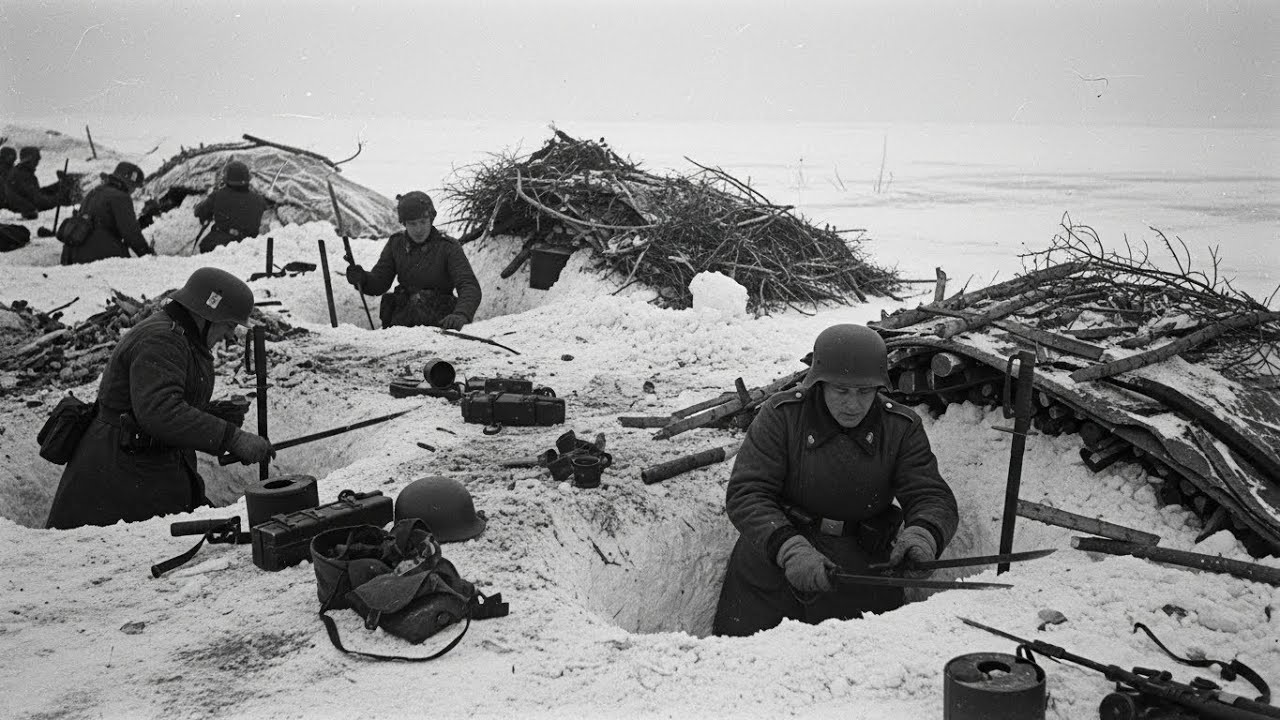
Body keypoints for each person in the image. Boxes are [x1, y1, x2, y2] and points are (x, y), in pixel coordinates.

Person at [712, 324, 959, 637]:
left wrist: (923, 535)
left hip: (859, 571)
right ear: (820, 383)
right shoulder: (783, 415)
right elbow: (748, 493)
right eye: (841, 391)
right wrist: (790, 549)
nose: (853, 404)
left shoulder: (900, 427)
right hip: (772, 566)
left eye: (864, 391)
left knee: (851, 674)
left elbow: (931, 496)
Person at [46, 267, 275, 530]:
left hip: (146, 465)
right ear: (209, 314)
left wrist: (213, 414)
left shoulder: (181, 336)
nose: (229, 335)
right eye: (229, 325)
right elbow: (160, 411)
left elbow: (157, 399)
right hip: (122, 475)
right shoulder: (162, 339)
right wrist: (231, 437)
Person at [344, 191, 481, 330]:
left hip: (439, 322)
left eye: (423, 222)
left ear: (431, 220)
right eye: (412, 223)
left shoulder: (448, 247)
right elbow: (380, 282)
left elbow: (468, 285)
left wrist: (461, 314)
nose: (419, 229)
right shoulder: (396, 244)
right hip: (402, 322)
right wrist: (363, 279)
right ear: (404, 223)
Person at [60, 161, 154, 265]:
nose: (133, 191)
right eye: (134, 187)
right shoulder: (121, 197)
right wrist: (148, 256)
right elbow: (130, 233)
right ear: (129, 183)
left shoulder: (94, 192)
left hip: (73, 255)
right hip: (99, 255)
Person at [193, 160, 270, 253]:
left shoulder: (217, 195)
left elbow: (199, 212)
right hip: (249, 247)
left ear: (226, 178)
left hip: (218, 245)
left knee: (205, 246)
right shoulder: (260, 200)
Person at [4, 146, 67, 219]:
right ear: (29, 159)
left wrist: (57, 186)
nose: (38, 162)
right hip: (26, 211)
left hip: (24, 206)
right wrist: (59, 198)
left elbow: (34, 193)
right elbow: (38, 200)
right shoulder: (23, 175)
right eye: (37, 159)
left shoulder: (21, 172)